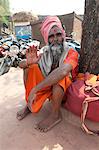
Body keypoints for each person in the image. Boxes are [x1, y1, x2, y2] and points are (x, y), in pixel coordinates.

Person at [17, 16, 79, 132]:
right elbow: (20, 64)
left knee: (61, 76)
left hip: (62, 92)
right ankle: (30, 104)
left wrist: (35, 89)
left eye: (58, 35)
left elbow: (64, 71)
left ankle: (55, 115)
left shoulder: (71, 52)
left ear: (63, 36)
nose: (55, 39)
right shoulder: (44, 51)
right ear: (46, 38)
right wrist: (28, 62)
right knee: (30, 68)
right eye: (51, 36)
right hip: (47, 87)